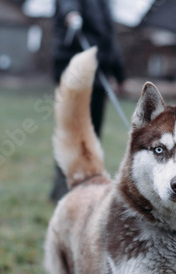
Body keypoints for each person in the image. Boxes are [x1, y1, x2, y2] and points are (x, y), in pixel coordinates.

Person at [50, 0, 126, 202]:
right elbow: (68, 6)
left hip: (99, 77)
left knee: (92, 137)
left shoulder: (104, 4)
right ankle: (63, 192)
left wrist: (119, 74)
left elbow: (110, 39)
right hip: (76, 74)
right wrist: (72, 16)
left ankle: (86, 189)